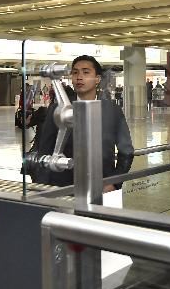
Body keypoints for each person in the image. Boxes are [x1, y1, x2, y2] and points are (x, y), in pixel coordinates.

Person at [35, 55, 133, 191]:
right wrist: (43, 188)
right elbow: (44, 150)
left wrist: (114, 183)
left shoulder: (112, 110)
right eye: (75, 72)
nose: (79, 77)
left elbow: (126, 151)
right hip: (64, 186)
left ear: (97, 79)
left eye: (86, 72)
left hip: (102, 185)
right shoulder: (59, 110)